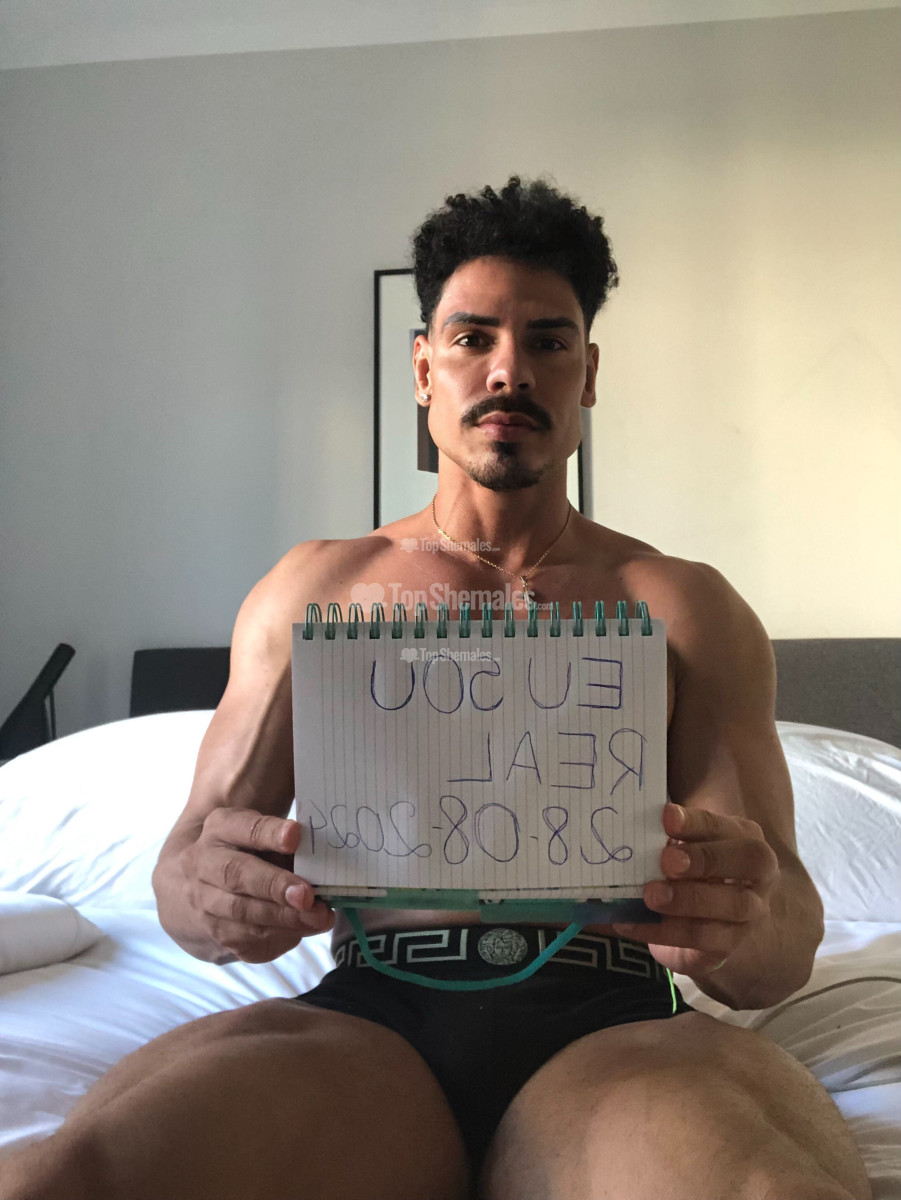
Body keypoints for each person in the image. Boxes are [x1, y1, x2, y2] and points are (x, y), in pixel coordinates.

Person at [0, 177, 871, 1200]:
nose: (510, 370)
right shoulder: (315, 592)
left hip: (612, 1028)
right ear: (423, 368)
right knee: (72, 1179)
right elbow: (187, 874)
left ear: (588, 375)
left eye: (548, 341)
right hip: (374, 1022)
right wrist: (210, 894)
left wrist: (741, 921)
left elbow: (778, 948)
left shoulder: (684, 607)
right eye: (472, 339)